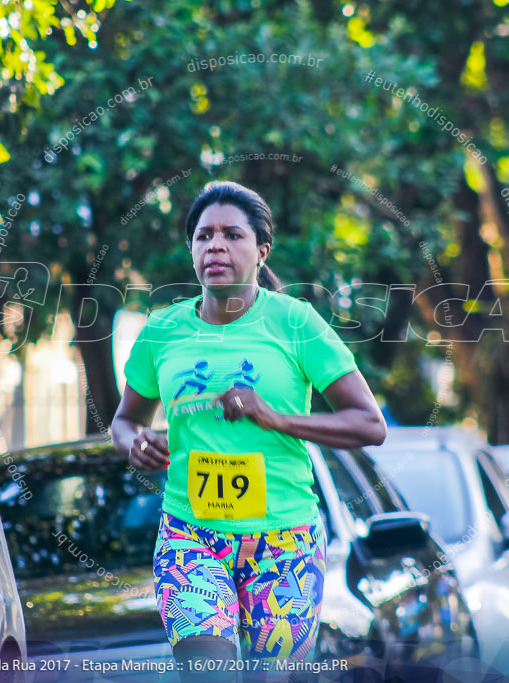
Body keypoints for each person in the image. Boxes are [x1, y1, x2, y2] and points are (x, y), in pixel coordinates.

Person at [111, 181, 386, 681]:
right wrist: (137, 443)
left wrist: (275, 418)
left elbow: (370, 424)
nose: (215, 245)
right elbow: (125, 420)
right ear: (192, 250)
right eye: (203, 236)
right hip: (190, 533)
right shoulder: (163, 330)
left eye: (232, 235)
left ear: (261, 251)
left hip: (285, 541)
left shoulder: (295, 323)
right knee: (207, 672)